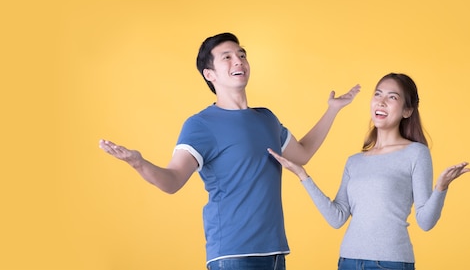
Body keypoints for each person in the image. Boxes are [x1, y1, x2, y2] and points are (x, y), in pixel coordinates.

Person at [99, 32, 361, 270]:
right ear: (209, 74)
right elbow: (173, 180)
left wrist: (333, 110)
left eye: (242, 55)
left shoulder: (266, 118)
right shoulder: (201, 125)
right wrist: (139, 163)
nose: (239, 61)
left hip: (275, 253)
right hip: (233, 255)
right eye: (227, 57)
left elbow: (302, 154)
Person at [268, 72, 470, 270]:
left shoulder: (416, 153)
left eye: (392, 97)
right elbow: (337, 218)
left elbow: (425, 222)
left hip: (391, 263)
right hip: (347, 261)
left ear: (407, 111)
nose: (381, 102)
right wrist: (302, 175)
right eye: (378, 94)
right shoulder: (355, 162)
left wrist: (441, 188)